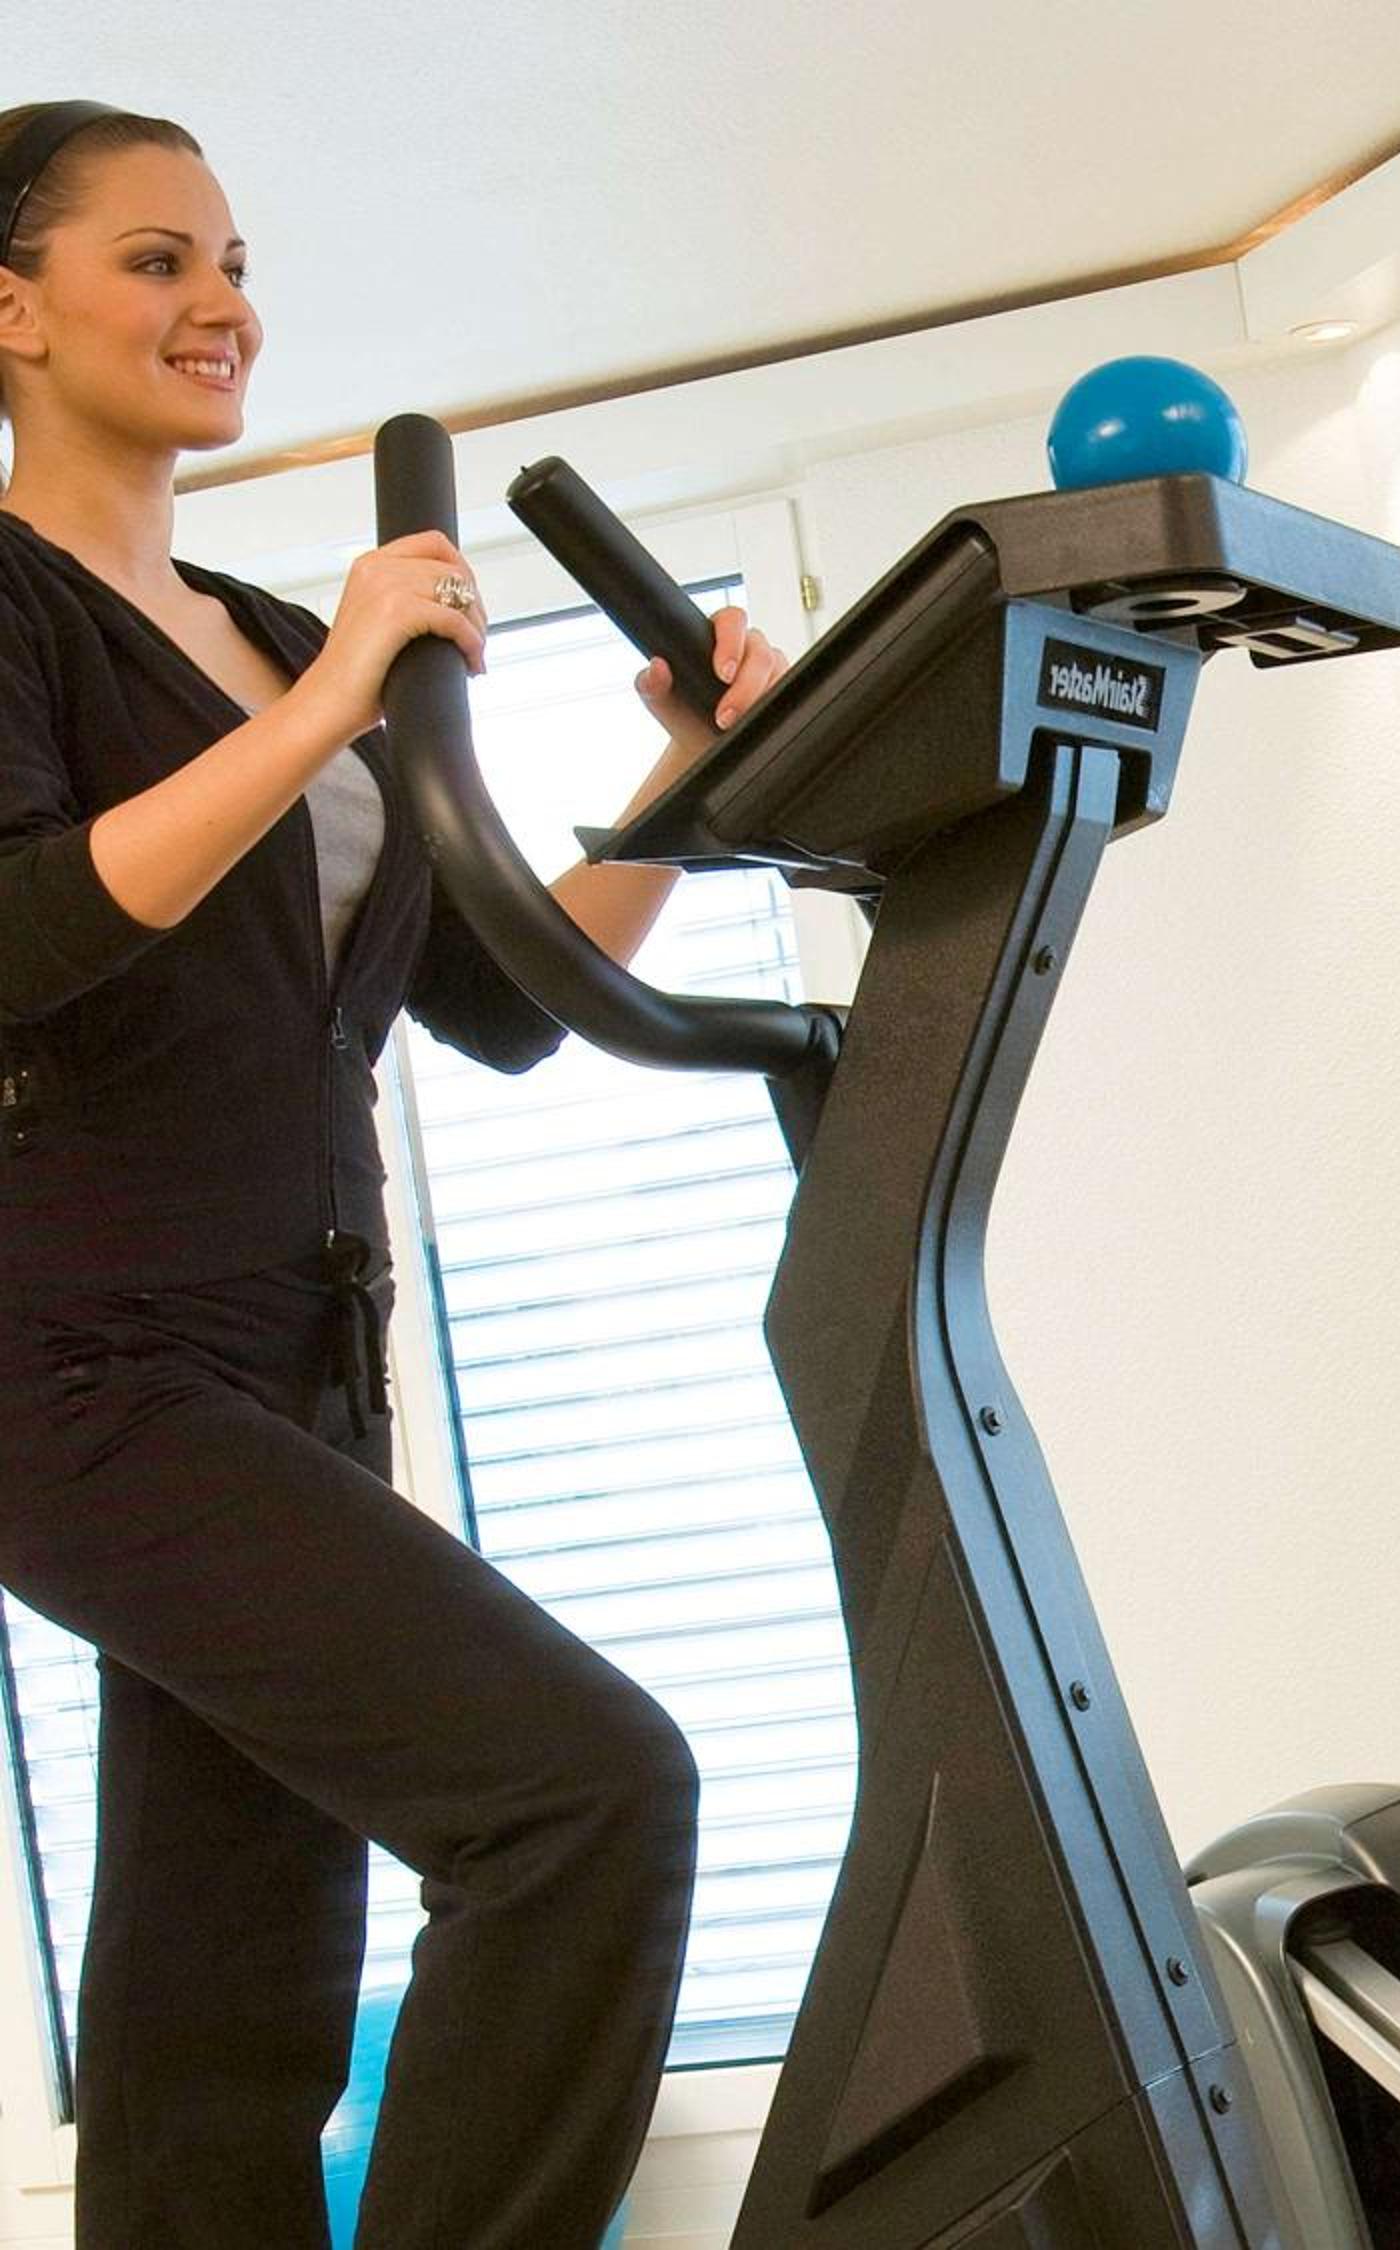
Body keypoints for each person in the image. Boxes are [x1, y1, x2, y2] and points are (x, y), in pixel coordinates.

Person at [0, 101, 789, 2248]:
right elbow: (28, 928)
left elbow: (505, 997)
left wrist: (681, 774)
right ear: (14, 310)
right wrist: (341, 690)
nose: (222, 302)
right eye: (156, 259)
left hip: (306, 1359)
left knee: (227, 1997)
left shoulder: (271, 631)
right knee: (586, 1791)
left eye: (235, 262)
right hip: (84, 1365)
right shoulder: (38, 610)